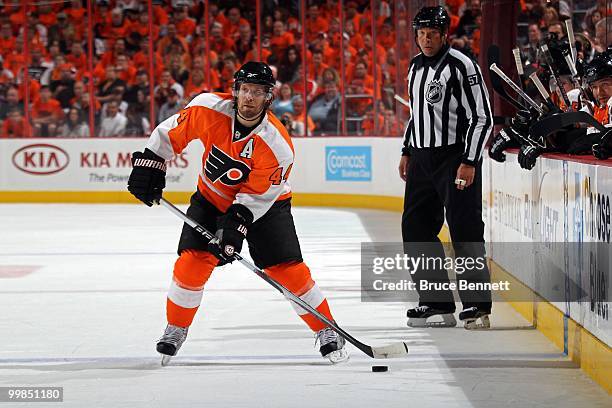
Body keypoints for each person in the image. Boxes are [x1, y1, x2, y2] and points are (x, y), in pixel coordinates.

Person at [127, 61, 349, 364]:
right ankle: (176, 327)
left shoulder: (277, 145)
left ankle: (326, 328)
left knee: (287, 270)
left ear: (269, 97)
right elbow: (169, 134)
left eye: (258, 92)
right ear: (235, 91)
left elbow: (257, 196)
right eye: (245, 90)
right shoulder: (208, 108)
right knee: (191, 266)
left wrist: (234, 228)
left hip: (266, 207)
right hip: (211, 199)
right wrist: (150, 165)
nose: (249, 98)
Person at [399, 7, 493, 329]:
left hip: (455, 157)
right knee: (415, 228)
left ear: (444, 34)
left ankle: (478, 307)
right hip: (422, 160)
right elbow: (416, 115)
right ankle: (436, 303)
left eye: (432, 33)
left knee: (464, 229)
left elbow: (482, 117)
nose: (426, 39)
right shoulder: (414, 67)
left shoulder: (461, 65)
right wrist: (407, 150)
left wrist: (470, 161)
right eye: (421, 33)